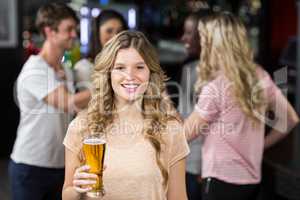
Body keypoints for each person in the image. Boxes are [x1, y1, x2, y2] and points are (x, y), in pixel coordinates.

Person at [184, 12, 299, 200]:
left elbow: (185, 134)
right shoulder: (260, 75)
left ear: (215, 44)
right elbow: (291, 118)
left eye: (204, 39)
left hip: (221, 181)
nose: (202, 44)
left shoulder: (217, 86)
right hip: (251, 182)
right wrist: (261, 145)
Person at [62, 30, 190, 200]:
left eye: (139, 67)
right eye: (120, 68)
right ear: (108, 73)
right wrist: (77, 190)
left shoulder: (171, 129)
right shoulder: (82, 127)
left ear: (150, 73)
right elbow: (66, 195)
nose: (130, 76)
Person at [9, 3, 91, 200]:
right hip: (31, 166)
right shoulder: (35, 69)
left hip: (59, 164)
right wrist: (106, 86)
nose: (74, 35)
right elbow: (68, 102)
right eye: (68, 29)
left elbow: (77, 110)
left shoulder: (66, 70)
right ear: (49, 31)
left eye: (75, 30)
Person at [179, 8, 211, 200]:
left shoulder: (208, 75)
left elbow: (208, 124)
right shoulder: (190, 68)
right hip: (185, 159)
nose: (183, 38)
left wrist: (205, 167)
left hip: (198, 165)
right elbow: (184, 113)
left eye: (189, 33)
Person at [74, 9, 128, 91]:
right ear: (97, 33)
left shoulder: (130, 65)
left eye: (120, 31)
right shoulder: (84, 67)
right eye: (109, 31)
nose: (115, 36)